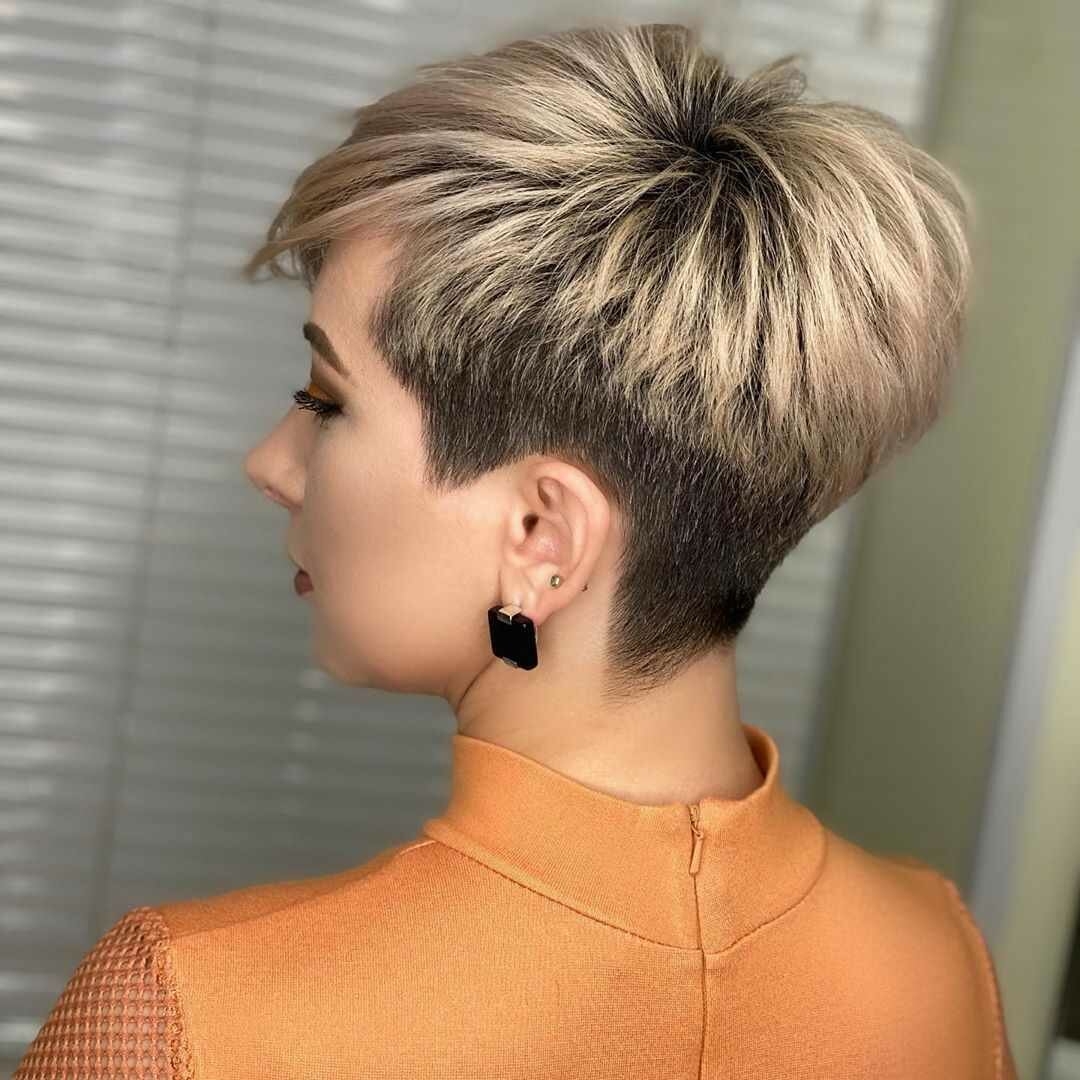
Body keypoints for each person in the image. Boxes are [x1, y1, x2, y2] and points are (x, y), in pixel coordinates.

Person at [13, 21, 1017, 1080]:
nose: (272, 462)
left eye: (328, 401)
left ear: (544, 538)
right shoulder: (940, 960)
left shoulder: (189, 1012)